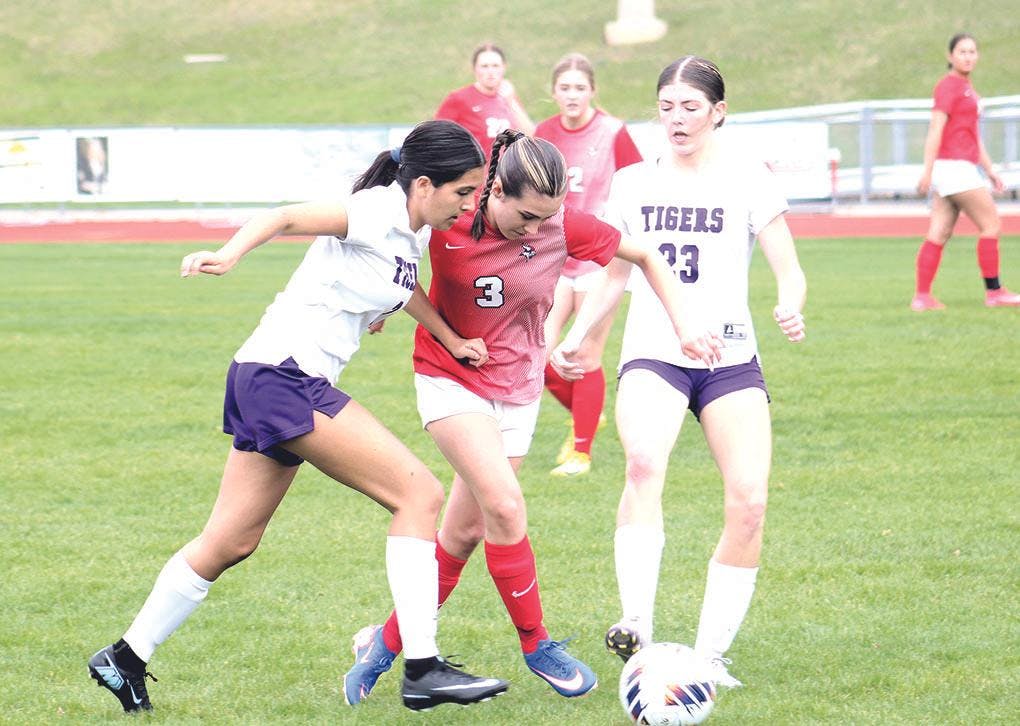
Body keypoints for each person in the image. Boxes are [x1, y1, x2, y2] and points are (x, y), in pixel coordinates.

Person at [86, 120, 511, 714]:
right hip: (283, 378)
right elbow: (285, 216)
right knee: (420, 494)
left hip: (265, 377)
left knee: (232, 540)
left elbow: (404, 286)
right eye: (462, 192)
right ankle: (422, 668)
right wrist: (228, 255)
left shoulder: (407, 232)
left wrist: (450, 337)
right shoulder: (374, 210)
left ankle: (124, 657)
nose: (468, 206)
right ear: (422, 185)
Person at [342, 130, 722, 704]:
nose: (539, 229)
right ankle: (537, 644)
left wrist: (686, 326)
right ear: (494, 191)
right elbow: (390, 254)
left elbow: (645, 255)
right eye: (527, 216)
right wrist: (383, 305)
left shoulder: (560, 224)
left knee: (464, 533)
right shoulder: (453, 214)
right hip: (450, 378)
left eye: (549, 217)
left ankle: (382, 648)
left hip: (520, 388)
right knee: (505, 505)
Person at [551, 56, 807, 688]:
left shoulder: (748, 178)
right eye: (666, 107)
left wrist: (789, 303)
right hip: (654, 354)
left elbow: (789, 267)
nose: (677, 119)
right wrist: (578, 336)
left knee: (750, 501)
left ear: (719, 112)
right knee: (642, 463)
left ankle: (710, 658)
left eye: (690, 107)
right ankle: (635, 625)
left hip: (729, 359)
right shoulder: (634, 183)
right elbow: (614, 275)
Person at [535, 52, 644, 477]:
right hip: (554, 257)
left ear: (593, 91)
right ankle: (587, 413)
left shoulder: (613, 132)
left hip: (600, 258)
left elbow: (639, 185)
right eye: (565, 87)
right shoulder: (543, 134)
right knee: (539, 352)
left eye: (580, 87)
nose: (573, 95)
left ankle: (581, 452)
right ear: (553, 92)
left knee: (586, 353)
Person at [912, 32, 1020, 310]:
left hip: (955, 169)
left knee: (939, 232)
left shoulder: (967, 88)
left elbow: (972, 135)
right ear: (950, 56)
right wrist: (927, 171)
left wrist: (990, 170)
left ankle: (922, 297)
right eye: (962, 52)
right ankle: (994, 292)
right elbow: (935, 129)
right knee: (991, 224)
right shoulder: (949, 86)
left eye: (972, 52)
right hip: (955, 168)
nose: (968, 57)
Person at [435, 43, 535, 158]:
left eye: (495, 66)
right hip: (478, 168)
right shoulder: (459, 98)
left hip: (508, 168)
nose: (490, 71)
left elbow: (531, 137)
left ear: (504, 68)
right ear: (474, 69)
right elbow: (436, 138)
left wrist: (511, 102)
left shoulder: (509, 97)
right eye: (484, 66)